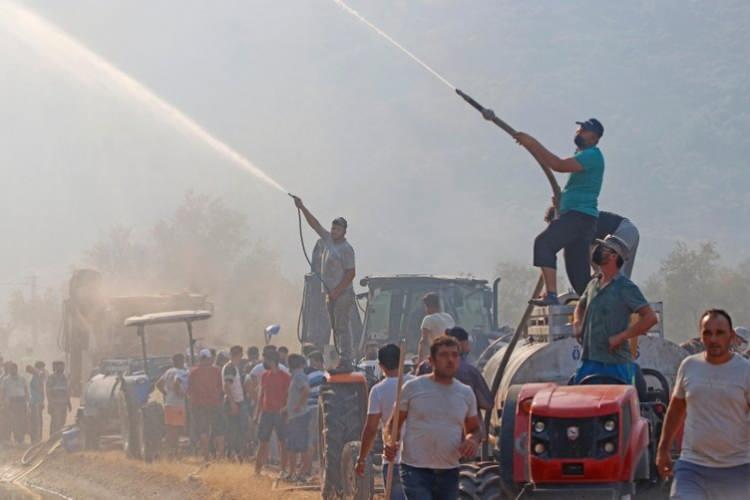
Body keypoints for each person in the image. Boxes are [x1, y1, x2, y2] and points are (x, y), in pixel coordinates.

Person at [483, 113, 606, 303]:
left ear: (594, 137)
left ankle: (551, 294)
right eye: (579, 128)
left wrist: (532, 143)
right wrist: (562, 201)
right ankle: (598, 304)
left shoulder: (593, 155)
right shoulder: (583, 155)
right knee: (579, 279)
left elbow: (558, 165)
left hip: (579, 218)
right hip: (579, 218)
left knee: (544, 244)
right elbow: (579, 186)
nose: (579, 131)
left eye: (584, 130)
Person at [656, 309, 750, 499]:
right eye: (707, 333)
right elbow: (676, 408)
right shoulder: (689, 366)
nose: (713, 339)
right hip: (693, 466)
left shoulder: (745, 370)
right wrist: (663, 448)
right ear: (701, 336)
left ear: (731, 336)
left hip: (737, 467)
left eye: (720, 333)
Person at [385, 336, 481, 500]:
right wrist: (390, 442)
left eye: (454, 355)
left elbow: (474, 429)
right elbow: (393, 425)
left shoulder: (465, 393)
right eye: (444, 355)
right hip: (415, 469)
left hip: (449, 470)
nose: (450, 360)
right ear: (431, 360)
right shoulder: (412, 388)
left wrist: (471, 440)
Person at [573, 235, 658, 384]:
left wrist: (621, 337)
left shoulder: (625, 287)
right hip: (589, 360)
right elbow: (580, 306)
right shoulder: (593, 284)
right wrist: (578, 324)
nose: (597, 250)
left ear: (613, 256)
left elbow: (650, 318)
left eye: (603, 248)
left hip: (615, 363)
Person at [292, 196, 356, 370]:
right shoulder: (327, 239)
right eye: (333, 228)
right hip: (330, 294)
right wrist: (302, 208)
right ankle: (341, 357)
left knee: (342, 326)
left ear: (344, 231)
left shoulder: (346, 249)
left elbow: (351, 273)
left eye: (338, 229)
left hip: (342, 293)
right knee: (335, 327)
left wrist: (337, 290)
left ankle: (346, 359)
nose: (334, 231)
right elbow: (315, 225)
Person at [357, 344, 414, 500]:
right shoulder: (417, 384)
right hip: (419, 460)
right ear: (402, 362)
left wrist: (361, 459)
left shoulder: (378, 391)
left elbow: (371, 429)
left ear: (380, 365)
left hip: (393, 461)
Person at [255, 349, 291, 475]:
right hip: (267, 412)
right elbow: (261, 395)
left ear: (272, 361)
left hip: (281, 413)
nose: (263, 362)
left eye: (265, 359)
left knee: (283, 442)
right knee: (263, 442)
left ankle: (283, 469)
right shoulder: (265, 376)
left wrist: (287, 412)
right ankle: (257, 470)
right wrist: (257, 414)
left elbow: (289, 396)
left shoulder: (286, 377)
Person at [188, 349, 224, 461]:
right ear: (209, 358)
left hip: (199, 405)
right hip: (214, 403)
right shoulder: (217, 371)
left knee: (203, 430)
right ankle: (220, 457)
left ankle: (206, 457)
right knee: (218, 430)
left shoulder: (193, 372)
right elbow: (220, 386)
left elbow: (190, 389)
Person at [299, 351, 326, 480]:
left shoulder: (307, 376)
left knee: (310, 440)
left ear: (317, 362)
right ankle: (310, 469)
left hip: (308, 410)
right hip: (319, 410)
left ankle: (306, 469)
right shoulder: (324, 376)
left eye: (312, 361)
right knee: (317, 440)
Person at [285, 354, 310, 481]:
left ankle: (297, 473)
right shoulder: (297, 375)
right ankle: (296, 472)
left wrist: (297, 406)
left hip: (298, 416)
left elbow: (306, 390)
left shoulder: (298, 375)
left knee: (297, 445)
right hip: (296, 416)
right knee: (295, 445)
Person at [156, 353, 187, 457]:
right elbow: (176, 384)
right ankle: (174, 452)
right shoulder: (180, 372)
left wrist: (165, 393)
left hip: (169, 402)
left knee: (170, 429)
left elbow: (158, 384)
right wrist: (179, 393)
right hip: (177, 404)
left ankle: (169, 450)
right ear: (181, 361)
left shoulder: (168, 371)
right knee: (176, 429)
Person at [222, 345, 248, 460]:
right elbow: (226, 386)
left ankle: (235, 453)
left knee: (236, 429)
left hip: (236, 402)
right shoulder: (230, 367)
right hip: (235, 403)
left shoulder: (233, 367)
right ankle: (234, 453)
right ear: (239, 355)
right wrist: (232, 403)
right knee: (236, 430)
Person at [418, 292, 455, 363]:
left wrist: (420, 361)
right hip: (450, 355)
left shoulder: (428, 319)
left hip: (438, 356)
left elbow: (423, 341)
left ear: (429, 306)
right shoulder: (448, 317)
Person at [1, 362, 28, 445]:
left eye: (14, 369)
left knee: (21, 420)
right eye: (10, 369)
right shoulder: (5, 380)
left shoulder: (22, 379)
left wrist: (27, 402)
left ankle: (20, 439)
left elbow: (26, 391)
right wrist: (2, 403)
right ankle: (11, 439)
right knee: (11, 421)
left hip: (21, 402)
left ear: (16, 369)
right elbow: (2, 392)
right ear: (9, 370)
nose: (12, 370)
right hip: (11, 402)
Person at [46, 361, 71, 436]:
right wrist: (50, 403)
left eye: (62, 366)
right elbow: (48, 392)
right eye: (59, 366)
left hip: (63, 404)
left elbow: (67, 390)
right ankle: (53, 438)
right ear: (55, 367)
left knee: (62, 422)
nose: (61, 368)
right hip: (55, 404)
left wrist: (68, 402)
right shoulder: (52, 377)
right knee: (56, 423)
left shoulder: (64, 377)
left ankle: (58, 439)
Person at [27, 361, 47, 443]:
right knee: (36, 421)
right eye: (41, 367)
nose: (43, 369)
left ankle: (37, 438)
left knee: (38, 421)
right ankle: (36, 439)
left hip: (37, 402)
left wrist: (42, 401)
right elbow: (40, 390)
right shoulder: (35, 377)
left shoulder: (38, 377)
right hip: (35, 402)